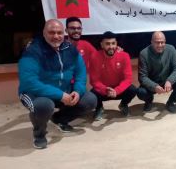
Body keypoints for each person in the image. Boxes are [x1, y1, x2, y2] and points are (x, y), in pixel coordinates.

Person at [18, 19, 97, 149]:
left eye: (59, 32)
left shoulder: (70, 49)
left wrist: (77, 91)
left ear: (64, 33)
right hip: (34, 94)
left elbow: (80, 74)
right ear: (44, 33)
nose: (56, 36)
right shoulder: (32, 51)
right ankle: (39, 134)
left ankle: (60, 119)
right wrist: (60, 95)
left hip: (63, 91)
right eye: (51, 32)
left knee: (90, 100)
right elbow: (29, 82)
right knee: (43, 106)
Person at [89, 31, 137, 120]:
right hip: (104, 90)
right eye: (107, 44)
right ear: (102, 45)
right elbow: (94, 80)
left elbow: (128, 79)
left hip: (118, 89)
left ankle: (123, 105)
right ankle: (99, 108)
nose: (111, 47)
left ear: (116, 44)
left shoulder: (124, 56)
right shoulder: (94, 57)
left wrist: (117, 90)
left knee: (133, 90)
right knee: (92, 94)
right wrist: (105, 89)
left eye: (113, 43)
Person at [137, 31, 176, 113]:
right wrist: (154, 86)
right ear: (151, 42)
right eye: (157, 42)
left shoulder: (171, 49)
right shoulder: (143, 54)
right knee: (141, 92)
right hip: (152, 82)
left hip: (167, 81)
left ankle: (171, 102)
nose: (160, 45)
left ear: (165, 41)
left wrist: (170, 80)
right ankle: (149, 101)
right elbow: (142, 77)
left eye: (162, 42)